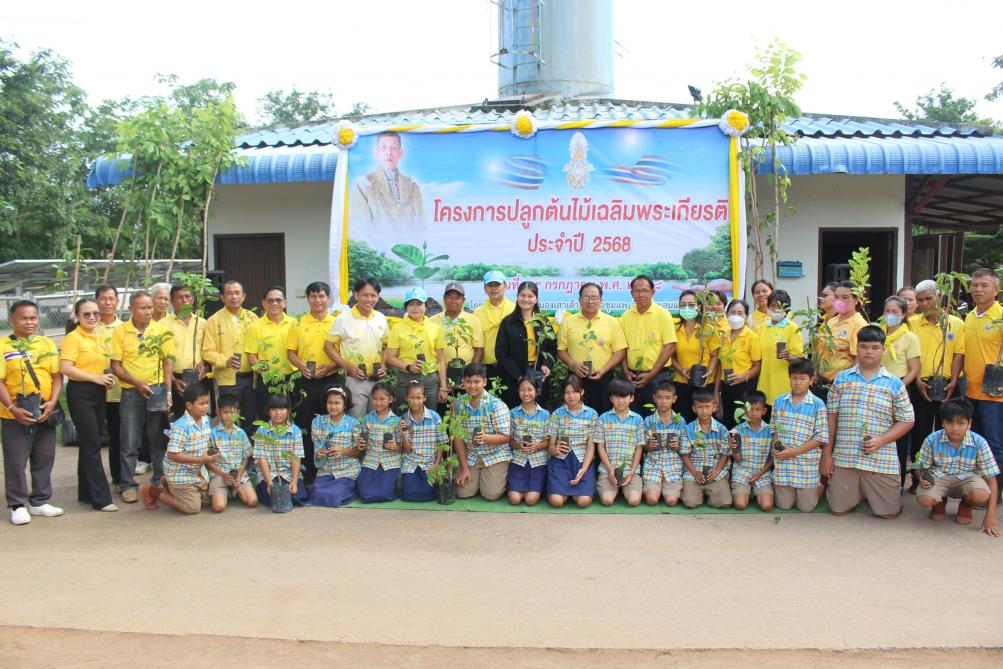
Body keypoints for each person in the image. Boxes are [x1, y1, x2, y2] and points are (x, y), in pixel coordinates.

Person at [823, 326, 915, 518]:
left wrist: (881, 440)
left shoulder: (894, 384)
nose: (869, 352)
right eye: (864, 347)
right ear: (857, 348)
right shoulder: (842, 380)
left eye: (875, 347)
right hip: (846, 457)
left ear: (883, 350)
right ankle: (858, 492)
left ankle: (870, 492)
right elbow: (831, 418)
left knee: (889, 513)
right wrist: (827, 454)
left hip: (880, 459)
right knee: (838, 510)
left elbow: (907, 421)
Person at [0, 300, 64, 525]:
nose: (29, 322)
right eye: (23, 318)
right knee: (16, 460)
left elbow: (56, 377)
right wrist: (12, 408)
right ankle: (17, 504)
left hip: (44, 409)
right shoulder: (3, 346)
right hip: (14, 413)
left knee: (44, 457)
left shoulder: (46, 344)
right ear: (12, 320)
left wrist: (52, 402)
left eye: (33, 318)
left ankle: (39, 500)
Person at [110, 291, 175, 503]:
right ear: (131, 309)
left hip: (157, 390)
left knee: (158, 438)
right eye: (143, 308)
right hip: (132, 392)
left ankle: (159, 480)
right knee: (130, 440)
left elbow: (167, 362)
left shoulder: (161, 330)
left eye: (150, 307)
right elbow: (115, 366)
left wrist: (168, 391)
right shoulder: (120, 332)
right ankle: (127, 484)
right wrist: (136, 383)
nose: (148, 312)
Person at [60, 298, 117, 512]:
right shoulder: (73, 338)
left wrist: (105, 379)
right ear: (77, 316)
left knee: (89, 442)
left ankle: (86, 492)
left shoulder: (100, 337)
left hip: (99, 392)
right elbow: (66, 367)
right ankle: (101, 498)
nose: (92, 317)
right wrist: (96, 378)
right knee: (93, 443)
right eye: (87, 314)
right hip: (81, 393)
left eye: (96, 313)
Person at [915, 398, 1000, 535]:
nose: (955, 428)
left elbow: (992, 481)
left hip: (968, 479)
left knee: (981, 494)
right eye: (949, 422)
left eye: (961, 423)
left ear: (969, 423)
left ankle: (966, 504)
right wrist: (922, 477)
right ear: (943, 422)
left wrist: (990, 517)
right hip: (939, 477)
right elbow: (920, 466)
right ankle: (940, 501)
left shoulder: (980, 442)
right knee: (924, 499)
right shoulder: (932, 439)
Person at [909, 279, 965, 483]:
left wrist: (954, 381)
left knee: (950, 431)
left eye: (928, 299)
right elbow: (910, 356)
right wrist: (917, 380)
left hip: (949, 385)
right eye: (920, 300)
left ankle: (948, 479)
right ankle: (918, 479)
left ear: (939, 297)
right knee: (920, 433)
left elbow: (959, 354)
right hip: (920, 385)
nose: (924, 304)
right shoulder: (912, 323)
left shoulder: (955, 323)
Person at [287, 281, 339, 482]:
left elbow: (342, 354)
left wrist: (331, 367)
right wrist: (302, 367)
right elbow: (291, 353)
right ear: (308, 298)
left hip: (331, 380)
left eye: (322, 296)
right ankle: (309, 470)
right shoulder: (298, 323)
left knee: (330, 424)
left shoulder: (337, 322)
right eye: (314, 296)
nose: (318, 300)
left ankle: (330, 469)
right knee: (305, 425)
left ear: (328, 298)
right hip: (305, 382)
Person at [139, 384, 213, 514]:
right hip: (180, 473)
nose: (206, 406)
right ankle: (152, 491)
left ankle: (166, 483)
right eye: (202, 404)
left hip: (197, 472)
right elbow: (172, 454)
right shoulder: (181, 427)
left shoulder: (206, 419)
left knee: (208, 501)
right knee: (192, 508)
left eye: (207, 403)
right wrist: (200, 459)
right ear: (189, 405)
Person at [962, 268, 1003, 501]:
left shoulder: (1000, 317)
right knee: (976, 443)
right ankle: (978, 492)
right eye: (974, 285)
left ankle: (995, 495)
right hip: (970, 391)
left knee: (994, 445)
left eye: (984, 285)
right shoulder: (969, 316)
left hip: (994, 396)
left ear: (996, 290)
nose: (978, 289)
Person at [557, 282, 627, 414]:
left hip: (604, 378)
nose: (590, 301)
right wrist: (572, 364)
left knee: (604, 415)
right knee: (576, 416)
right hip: (576, 379)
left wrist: (603, 370)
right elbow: (561, 350)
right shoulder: (568, 322)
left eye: (594, 298)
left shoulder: (612, 322)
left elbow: (620, 351)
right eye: (586, 297)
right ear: (579, 300)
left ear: (601, 300)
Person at [325, 277, 390, 419]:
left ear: (378, 297)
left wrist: (384, 364)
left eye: (373, 295)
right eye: (365, 295)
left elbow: (386, 346)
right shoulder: (343, 319)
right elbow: (328, 346)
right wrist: (348, 366)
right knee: (356, 422)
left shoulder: (381, 318)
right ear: (356, 295)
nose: (369, 299)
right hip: (355, 381)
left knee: (378, 422)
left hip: (378, 380)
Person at [772, 358, 828, 512]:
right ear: (789, 378)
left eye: (802, 378)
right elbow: (775, 428)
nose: (797, 383)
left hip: (806, 464)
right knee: (784, 505)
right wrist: (777, 444)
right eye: (794, 378)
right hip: (784, 463)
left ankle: (820, 486)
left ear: (811, 380)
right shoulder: (779, 401)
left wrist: (794, 452)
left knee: (806, 507)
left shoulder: (818, 404)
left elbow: (820, 437)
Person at [202, 281, 259, 431]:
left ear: (244, 296)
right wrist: (225, 361)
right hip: (228, 380)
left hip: (252, 379)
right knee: (228, 421)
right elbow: (207, 351)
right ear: (222, 297)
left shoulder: (252, 318)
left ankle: (249, 447)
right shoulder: (214, 320)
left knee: (251, 421)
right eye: (229, 293)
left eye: (237, 293)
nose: (234, 297)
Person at [619, 275, 677, 417]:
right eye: (637, 291)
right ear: (631, 293)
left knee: (657, 417)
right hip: (632, 377)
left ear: (653, 292)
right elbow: (621, 347)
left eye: (645, 290)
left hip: (658, 376)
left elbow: (670, 345)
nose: (641, 294)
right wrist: (625, 370)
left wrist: (652, 374)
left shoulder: (663, 314)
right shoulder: (625, 316)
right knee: (633, 417)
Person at [454, 362, 512, 501]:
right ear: (463, 382)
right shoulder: (458, 404)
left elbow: (506, 437)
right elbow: (457, 437)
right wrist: (464, 468)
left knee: (491, 494)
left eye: (477, 381)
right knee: (463, 493)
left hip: (495, 455)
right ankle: (475, 476)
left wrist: (486, 438)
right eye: (468, 381)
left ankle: (495, 475)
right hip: (472, 455)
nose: (472, 385)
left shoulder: (497, 405)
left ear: (485, 382)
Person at [881, 295, 922, 489]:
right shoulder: (879, 334)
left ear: (904, 314)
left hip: (899, 389)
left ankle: (897, 484)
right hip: (878, 390)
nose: (890, 315)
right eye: (887, 311)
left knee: (899, 438)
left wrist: (898, 389)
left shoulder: (909, 338)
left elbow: (914, 369)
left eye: (895, 311)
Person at [496, 281, 555, 409]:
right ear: (517, 297)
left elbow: (552, 348)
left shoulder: (543, 322)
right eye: (522, 295)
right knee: (515, 410)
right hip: (515, 376)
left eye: (530, 296)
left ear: (536, 299)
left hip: (538, 374)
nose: (526, 299)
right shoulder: (508, 322)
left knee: (538, 411)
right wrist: (518, 376)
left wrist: (547, 365)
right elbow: (501, 353)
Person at [385, 287, 448, 410]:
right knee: (404, 414)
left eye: (419, 304)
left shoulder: (435, 328)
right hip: (406, 378)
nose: (415, 308)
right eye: (411, 304)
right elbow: (390, 358)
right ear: (406, 307)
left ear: (426, 307)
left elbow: (441, 360)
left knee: (430, 414)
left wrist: (443, 387)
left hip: (429, 380)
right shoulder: (397, 328)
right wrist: (408, 367)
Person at [350, 131, 424, 232]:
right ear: (376, 153)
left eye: (393, 147)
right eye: (383, 148)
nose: (388, 152)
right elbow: (361, 229)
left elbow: (422, 226)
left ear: (400, 153)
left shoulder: (412, 185)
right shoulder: (362, 185)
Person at [245, 286, 297, 429]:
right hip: (267, 379)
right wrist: (266, 375)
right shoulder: (255, 327)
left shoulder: (294, 324)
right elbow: (251, 356)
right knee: (268, 418)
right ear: (264, 304)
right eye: (270, 300)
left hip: (292, 378)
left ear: (285, 303)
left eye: (278, 300)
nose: (274, 303)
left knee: (295, 415)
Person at [545, 374, 598, 508]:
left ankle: (574, 492)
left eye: (575, 392)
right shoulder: (557, 414)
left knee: (583, 501)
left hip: (582, 460)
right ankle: (562, 492)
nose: (571, 396)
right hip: (560, 461)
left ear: (582, 392)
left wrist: (584, 469)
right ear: (563, 394)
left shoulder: (592, 414)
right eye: (567, 392)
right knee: (556, 502)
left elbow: (591, 446)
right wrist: (555, 450)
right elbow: (550, 446)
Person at [672, 290, 721, 422]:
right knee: (683, 420)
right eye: (683, 305)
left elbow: (715, 355)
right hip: (681, 382)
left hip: (704, 382)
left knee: (704, 421)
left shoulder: (708, 329)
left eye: (691, 304)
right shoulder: (674, 328)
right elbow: (671, 356)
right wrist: (681, 370)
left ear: (699, 306)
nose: (687, 308)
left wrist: (709, 372)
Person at [309, 386, 363, 508]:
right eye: (330, 402)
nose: (333, 406)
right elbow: (316, 445)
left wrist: (344, 451)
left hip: (347, 470)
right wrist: (319, 453)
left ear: (345, 405)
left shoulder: (354, 423)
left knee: (333, 495)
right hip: (326, 470)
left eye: (337, 403)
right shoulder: (317, 422)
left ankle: (352, 490)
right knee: (316, 494)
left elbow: (358, 451)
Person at [595, 378, 644, 507]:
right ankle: (615, 489)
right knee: (607, 500)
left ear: (631, 398)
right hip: (608, 469)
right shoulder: (603, 418)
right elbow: (600, 447)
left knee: (634, 501)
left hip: (629, 470)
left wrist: (632, 471)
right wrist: (610, 470)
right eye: (617, 397)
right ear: (611, 398)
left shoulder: (637, 419)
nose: (620, 400)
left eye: (624, 397)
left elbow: (639, 448)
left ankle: (625, 488)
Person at [815, 281, 869, 398]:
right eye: (836, 297)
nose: (839, 301)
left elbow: (859, 359)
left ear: (855, 300)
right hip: (822, 382)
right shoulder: (832, 321)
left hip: (842, 385)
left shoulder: (859, 324)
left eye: (844, 297)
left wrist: (841, 379)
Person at [254, 393, 307, 512]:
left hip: (288, 473)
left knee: (298, 496)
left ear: (288, 411)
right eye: (273, 409)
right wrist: (269, 484)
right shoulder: (262, 430)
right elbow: (262, 459)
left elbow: (296, 458)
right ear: (268, 411)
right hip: (269, 475)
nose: (278, 413)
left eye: (282, 409)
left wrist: (294, 482)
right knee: (270, 498)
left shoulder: (295, 431)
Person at [680, 389, 731, 508]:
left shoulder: (722, 429)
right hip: (694, 471)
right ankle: (701, 493)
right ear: (694, 408)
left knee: (724, 502)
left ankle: (710, 494)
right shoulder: (688, 429)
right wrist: (695, 473)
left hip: (714, 471)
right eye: (700, 407)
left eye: (707, 407)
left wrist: (717, 471)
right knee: (690, 502)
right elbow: (684, 455)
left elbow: (725, 454)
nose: (704, 411)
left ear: (714, 407)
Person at [163, 283, 207, 420]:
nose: (184, 300)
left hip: (198, 377)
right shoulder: (163, 324)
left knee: (199, 416)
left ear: (193, 299)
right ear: (171, 301)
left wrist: (204, 364)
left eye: (188, 296)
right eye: (179, 297)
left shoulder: (202, 323)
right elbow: (161, 357)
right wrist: (173, 380)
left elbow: (207, 349)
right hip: (175, 378)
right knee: (179, 419)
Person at [208, 394, 258, 512]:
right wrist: (223, 475)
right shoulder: (213, 434)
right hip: (219, 473)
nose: (229, 416)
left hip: (238, 474)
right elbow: (209, 461)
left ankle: (233, 491)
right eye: (225, 412)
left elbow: (245, 458)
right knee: (218, 507)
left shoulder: (241, 433)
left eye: (232, 412)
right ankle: (226, 491)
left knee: (253, 501)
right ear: (218, 412)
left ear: (238, 413)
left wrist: (239, 476)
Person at [755, 290, 803, 414]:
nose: (776, 309)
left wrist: (789, 357)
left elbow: (799, 359)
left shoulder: (792, 328)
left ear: (786, 309)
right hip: (765, 382)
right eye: (772, 306)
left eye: (780, 306)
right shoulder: (764, 326)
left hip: (783, 383)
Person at [95, 284, 124, 485]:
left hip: (117, 391)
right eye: (103, 298)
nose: (107, 303)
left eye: (111, 298)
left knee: (117, 435)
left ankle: (119, 476)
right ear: (97, 301)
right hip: (94, 390)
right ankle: (93, 480)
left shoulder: (123, 328)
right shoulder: (89, 327)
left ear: (117, 301)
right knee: (93, 437)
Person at [641, 380, 687, 507]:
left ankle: (668, 490)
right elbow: (643, 446)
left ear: (674, 399)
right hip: (653, 465)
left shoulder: (680, 421)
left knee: (671, 501)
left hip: (673, 466)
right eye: (660, 398)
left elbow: (685, 447)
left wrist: (678, 446)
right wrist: (649, 446)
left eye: (667, 398)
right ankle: (656, 489)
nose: (663, 401)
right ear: (654, 398)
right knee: (652, 500)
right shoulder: (648, 420)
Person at [717, 299, 762, 428]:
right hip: (726, 386)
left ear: (746, 316)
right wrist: (717, 391)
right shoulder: (723, 336)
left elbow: (757, 366)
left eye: (740, 313)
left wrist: (743, 376)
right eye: (733, 312)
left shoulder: (752, 337)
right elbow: (720, 365)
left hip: (744, 387)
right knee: (727, 423)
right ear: (727, 314)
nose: (736, 316)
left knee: (742, 424)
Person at [434, 281, 484, 395]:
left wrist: (469, 375)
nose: (453, 301)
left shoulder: (473, 320)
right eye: (449, 297)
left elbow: (479, 349)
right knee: (444, 405)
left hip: (465, 377)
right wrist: (440, 378)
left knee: (464, 405)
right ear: (444, 299)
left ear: (463, 300)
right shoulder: (433, 321)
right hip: (440, 376)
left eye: (457, 298)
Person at [398, 382, 446, 502]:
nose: (415, 401)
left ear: (424, 398)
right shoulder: (404, 419)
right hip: (411, 462)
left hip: (430, 462)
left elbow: (442, 443)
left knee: (427, 493)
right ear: (406, 398)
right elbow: (407, 450)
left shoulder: (435, 417)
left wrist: (436, 464)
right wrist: (403, 435)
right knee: (409, 493)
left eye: (418, 397)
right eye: (412, 397)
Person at [507, 376, 550, 506]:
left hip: (538, 462)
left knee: (530, 500)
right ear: (518, 392)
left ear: (537, 391)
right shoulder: (512, 413)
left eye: (530, 389)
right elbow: (510, 441)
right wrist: (518, 445)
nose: (526, 393)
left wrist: (537, 446)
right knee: (515, 499)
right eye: (522, 390)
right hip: (518, 460)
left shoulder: (545, 414)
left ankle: (536, 489)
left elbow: (548, 442)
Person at [356, 381, 402, 503]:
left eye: (382, 399)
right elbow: (363, 444)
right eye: (375, 399)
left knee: (384, 493)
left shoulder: (397, 421)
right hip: (371, 461)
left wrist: (395, 446)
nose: (378, 402)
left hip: (390, 462)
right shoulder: (367, 419)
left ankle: (392, 488)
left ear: (390, 399)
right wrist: (361, 443)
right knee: (364, 492)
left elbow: (402, 447)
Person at [729, 390, 774, 511]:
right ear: (744, 410)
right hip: (742, 472)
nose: (753, 413)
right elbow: (738, 459)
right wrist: (733, 448)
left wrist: (760, 473)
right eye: (750, 409)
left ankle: (754, 492)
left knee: (767, 506)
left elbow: (773, 456)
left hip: (762, 473)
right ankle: (747, 492)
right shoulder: (736, 430)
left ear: (764, 411)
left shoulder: (770, 431)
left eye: (758, 410)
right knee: (740, 505)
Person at [473, 270, 515, 384]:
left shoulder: (514, 309)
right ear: (485, 288)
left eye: (497, 284)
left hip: (510, 366)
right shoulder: (478, 313)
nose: (494, 288)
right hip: (486, 367)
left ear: (505, 286)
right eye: (490, 285)